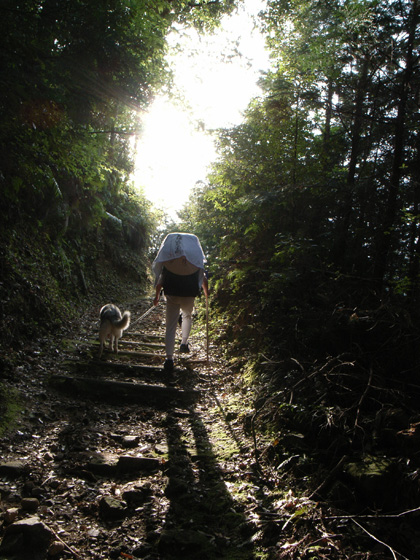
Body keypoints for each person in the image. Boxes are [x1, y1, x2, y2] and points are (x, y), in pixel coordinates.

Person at [152, 233, 209, 372]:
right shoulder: (194, 260)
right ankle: (184, 342)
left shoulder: (169, 260)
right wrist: (207, 296)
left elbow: (160, 281)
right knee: (187, 316)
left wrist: (157, 297)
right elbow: (203, 279)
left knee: (170, 325)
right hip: (189, 293)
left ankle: (169, 358)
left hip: (172, 292)